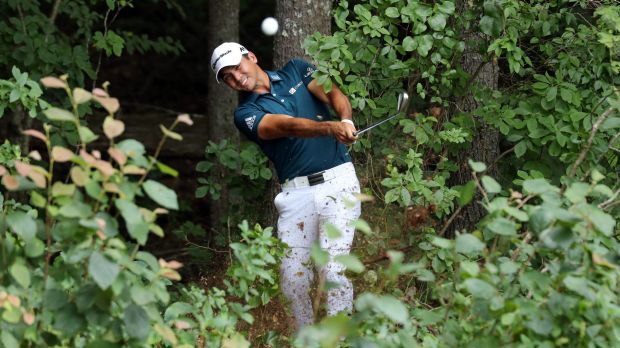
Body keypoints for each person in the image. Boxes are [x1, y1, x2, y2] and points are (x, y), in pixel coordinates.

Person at [210, 42, 362, 329]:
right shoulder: (245, 114)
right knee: (292, 279)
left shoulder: (296, 70)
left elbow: (334, 94)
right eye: (227, 76)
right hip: (296, 195)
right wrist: (331, 128)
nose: (236, 77)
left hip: (338, 182)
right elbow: (286, 126)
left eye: (236, 67)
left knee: (333, 268)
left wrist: (345, 119)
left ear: (251, 56)